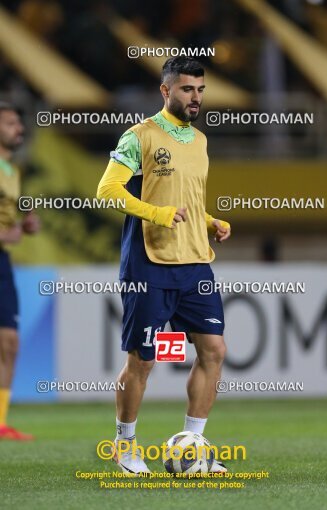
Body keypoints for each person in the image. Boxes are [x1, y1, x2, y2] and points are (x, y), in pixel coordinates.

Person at [97, 56, 231, 474]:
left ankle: (194, 442)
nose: (195, 98)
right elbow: (107, 190)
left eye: (200, 90)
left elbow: (188, 200)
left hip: (195, 264)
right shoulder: (140, 137)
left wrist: (210, 222)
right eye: (187, 89)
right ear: (166, 91)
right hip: (149, 265)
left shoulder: (201, 141)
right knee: (143, 360)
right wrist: (156, 213)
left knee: (214, 350)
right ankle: (125, 446)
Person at [0, 102, 40, 440]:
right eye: (11, 123)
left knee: (9, 342)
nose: (19, 129)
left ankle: (0, 422)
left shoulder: (12, 171)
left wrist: (24, 224)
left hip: (2, 261)